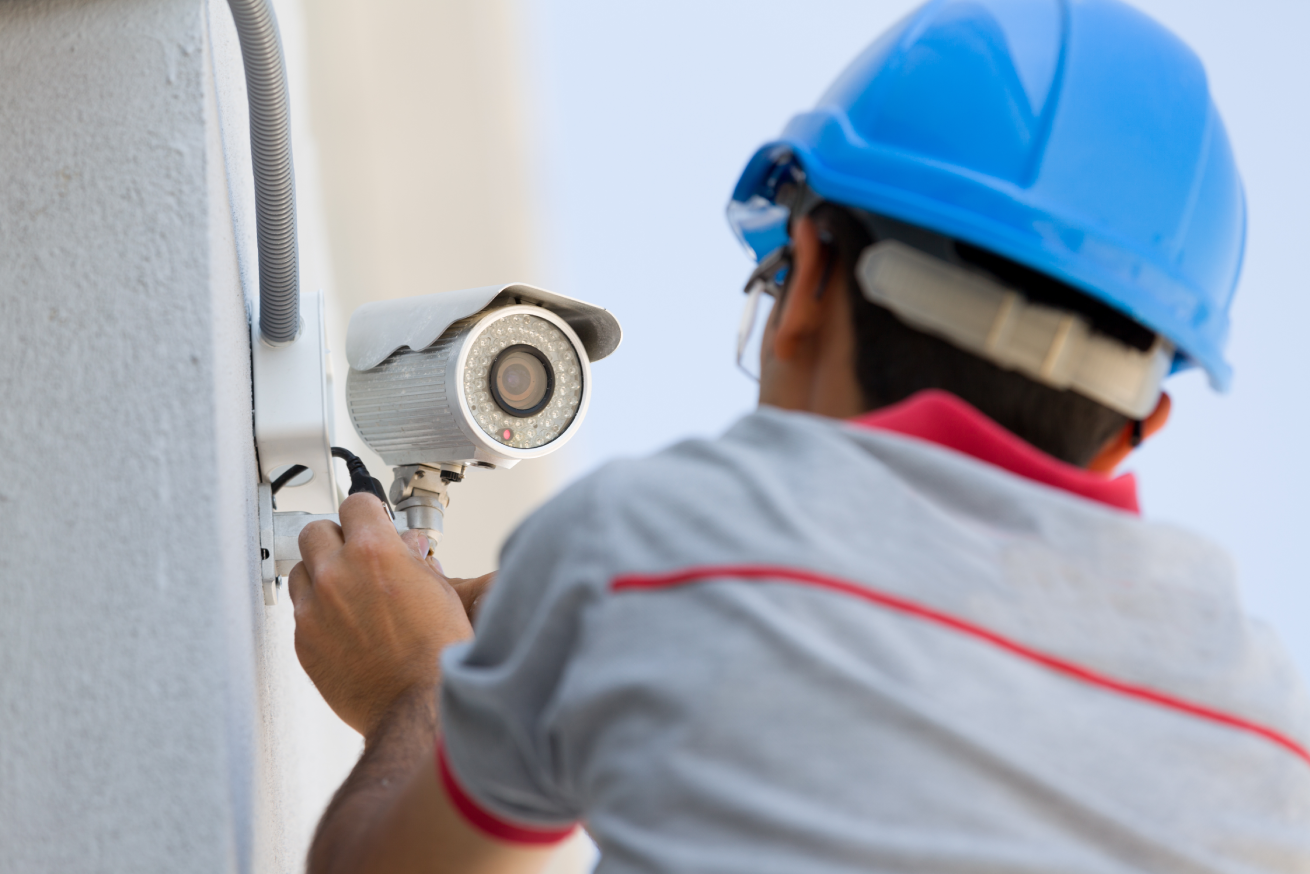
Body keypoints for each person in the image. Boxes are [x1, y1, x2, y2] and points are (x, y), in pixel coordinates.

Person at [288, 1, 1310, 872]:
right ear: (1139, 423)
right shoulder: (1272, 743)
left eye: (769, 283)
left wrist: (418, 685)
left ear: (811, 272)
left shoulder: (649, 546)